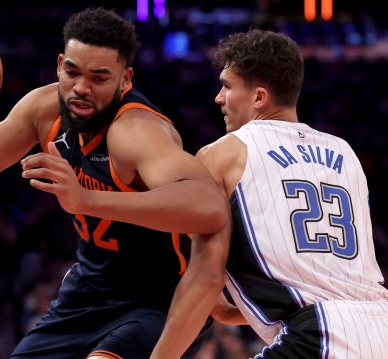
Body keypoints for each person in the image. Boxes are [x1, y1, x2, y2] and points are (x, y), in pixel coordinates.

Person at [0, 7, 229, 359]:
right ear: (59, 64)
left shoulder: (135, 131)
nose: (81, 88)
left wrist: (85, 199)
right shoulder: (44, 110)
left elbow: (208, 208)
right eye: (72, 72)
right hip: (88, 290)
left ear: (125, 79)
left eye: (99, 78)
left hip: (158, 301)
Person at [151, 28, 388, 358]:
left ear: (259, 97)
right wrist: (239, 309)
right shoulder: (345, 152)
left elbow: (205, 278)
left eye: (227, 86)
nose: (218, 97)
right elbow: (324, 283)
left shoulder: (224, 155)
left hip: (319, 337)